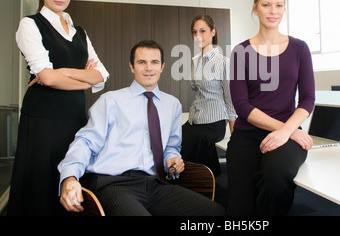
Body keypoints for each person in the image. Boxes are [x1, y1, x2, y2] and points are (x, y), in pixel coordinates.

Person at [58, 40, 225, 216]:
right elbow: (85, 142)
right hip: (114, 185)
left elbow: (171, 147)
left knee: (215, 212)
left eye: (154, 62)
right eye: (141, 62)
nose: (148, 68)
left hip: (155, 184)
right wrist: (69, 177)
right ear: (132, 67)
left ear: (162, 67)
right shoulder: (110, 101)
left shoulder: (172, 105)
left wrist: (173, 159)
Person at [8, 0, 109, 216]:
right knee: (41, 189)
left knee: (72, 183)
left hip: (74, 118)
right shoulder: (30, 25)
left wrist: (62, 73)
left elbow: (101, 76)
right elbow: (47, 78)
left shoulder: (80, 32)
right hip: (43, 120)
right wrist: (83, 79)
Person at [227, 0, 315, 215]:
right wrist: (288, 129)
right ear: (255, 9)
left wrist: (286, 132)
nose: (273, 11)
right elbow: (242, 106)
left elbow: (307, 98)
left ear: (284, 9)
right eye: (266, 5)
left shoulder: (299, 48)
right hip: (248, 134)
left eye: (279, 5)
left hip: (287, 136)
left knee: (275, 178)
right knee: (240, 206)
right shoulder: (240, 51)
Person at [181, 15, 236, 176]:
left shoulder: (224, 62)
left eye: (203, 31)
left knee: (195, 140)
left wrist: (235, 135)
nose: (198, 36)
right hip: (195, 119)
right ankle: (183, 183)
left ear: (213, 32)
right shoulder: (195, 60)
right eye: (194, 32)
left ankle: (209, 183)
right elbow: (197, 90)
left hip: (214, 122)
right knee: (174, 138)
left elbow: (230, 99)